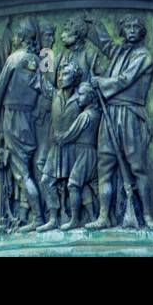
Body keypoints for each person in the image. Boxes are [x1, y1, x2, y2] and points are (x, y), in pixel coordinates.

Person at [88, 14, 153, 229]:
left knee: (138, 167)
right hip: (111, 113)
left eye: (136, 26)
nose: (132, 29)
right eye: (128, 26)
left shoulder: (144, 56)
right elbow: (106, 44)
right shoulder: (120, 51)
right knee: (105, 165)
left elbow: (124, 79)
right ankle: (103, 216)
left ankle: (147, 215)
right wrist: (94, 23)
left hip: (130, 115)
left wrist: (101, 82)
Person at [0, 18, 48, 230]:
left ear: (21, 37)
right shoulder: (38, 61)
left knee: (21, 172)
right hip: (29, 121)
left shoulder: (14, 59)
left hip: (13, 118)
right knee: (30, 168)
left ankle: (38, 218)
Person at [37, 60, 99, 231]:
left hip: (74, 147)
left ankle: (81, 217)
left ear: (75, 78)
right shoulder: (54, 93)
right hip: (56, 147)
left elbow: (92, 106)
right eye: (59, 74)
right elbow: (42, 78)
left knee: (77, 184)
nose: (60, 78)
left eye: (65, 75)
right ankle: (53, 218)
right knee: (46, 180)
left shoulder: (80, 99)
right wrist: (44, 53)